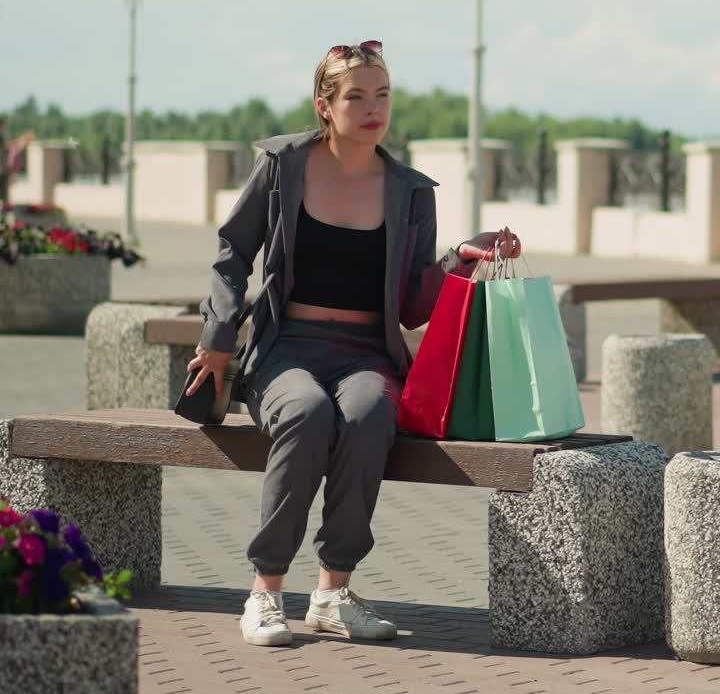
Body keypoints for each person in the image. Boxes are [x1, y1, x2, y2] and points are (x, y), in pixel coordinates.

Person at [188, 43, 521, 646]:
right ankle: (265, 591)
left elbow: (414, 307)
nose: (374, 109)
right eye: (357, 97)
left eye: (383, 95)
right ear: (326, 106)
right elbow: (233, 250)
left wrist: (461, 261)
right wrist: (217, 336)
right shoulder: (282, 167)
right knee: (307, 413)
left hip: (368, 351)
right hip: (287, 345)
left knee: (369, 416)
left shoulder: (411, 191)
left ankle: (332, 593)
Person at [0, 118, 35, 207]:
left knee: (4, 195)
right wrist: (23, 139)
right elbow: (8, 146)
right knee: (4, 195)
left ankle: (5, 215)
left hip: (3, 171)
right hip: (2, 171)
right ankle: (5, 215)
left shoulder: (3, 136)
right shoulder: (2, 137)